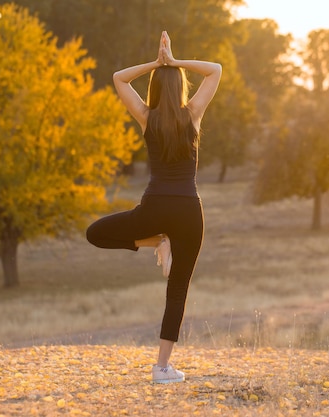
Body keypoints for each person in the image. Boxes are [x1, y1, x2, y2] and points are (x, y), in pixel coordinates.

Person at [85, 31, 221, 384]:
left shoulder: (147, 116)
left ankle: (156, 242)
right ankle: (162, 368)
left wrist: (156, 63)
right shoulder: (193, 114)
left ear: (155, 89)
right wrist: (174, 61)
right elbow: (215, 70)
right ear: (180, 87)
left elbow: (118, 78)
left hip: (155, 207)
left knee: (95, 233)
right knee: (177, 291)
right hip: (190, 211)